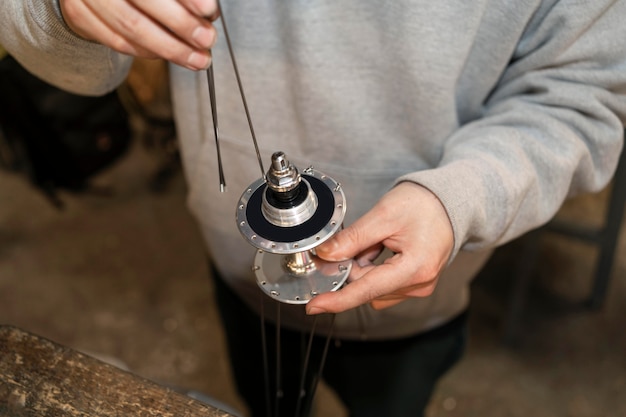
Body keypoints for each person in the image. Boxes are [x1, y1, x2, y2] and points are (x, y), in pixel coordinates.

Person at [2, 1, 626, 416]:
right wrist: (58, 11)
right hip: (243, 282)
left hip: (408, 314)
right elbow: (43, 35)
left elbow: (578, 97)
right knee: (265, 399)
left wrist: (458, 199)